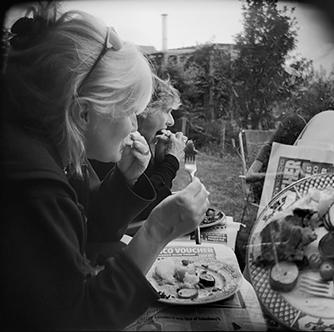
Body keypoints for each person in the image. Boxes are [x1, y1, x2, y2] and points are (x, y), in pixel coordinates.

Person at [0, 5, 209, 330]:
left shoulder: (52, 148)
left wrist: (123, 180)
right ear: (83, 113)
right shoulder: (32, 185)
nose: (133, 126)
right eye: (128, 112)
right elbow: (77, 318)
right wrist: (156, 232)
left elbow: (84, 232)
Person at [90, 76, 187, 225]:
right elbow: (147, 209)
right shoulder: (113, 148)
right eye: (167, 111)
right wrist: (171, 161)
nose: (171, 121)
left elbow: (150, 192)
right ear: (143, 109)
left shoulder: (138, 145)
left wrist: (161, 162)